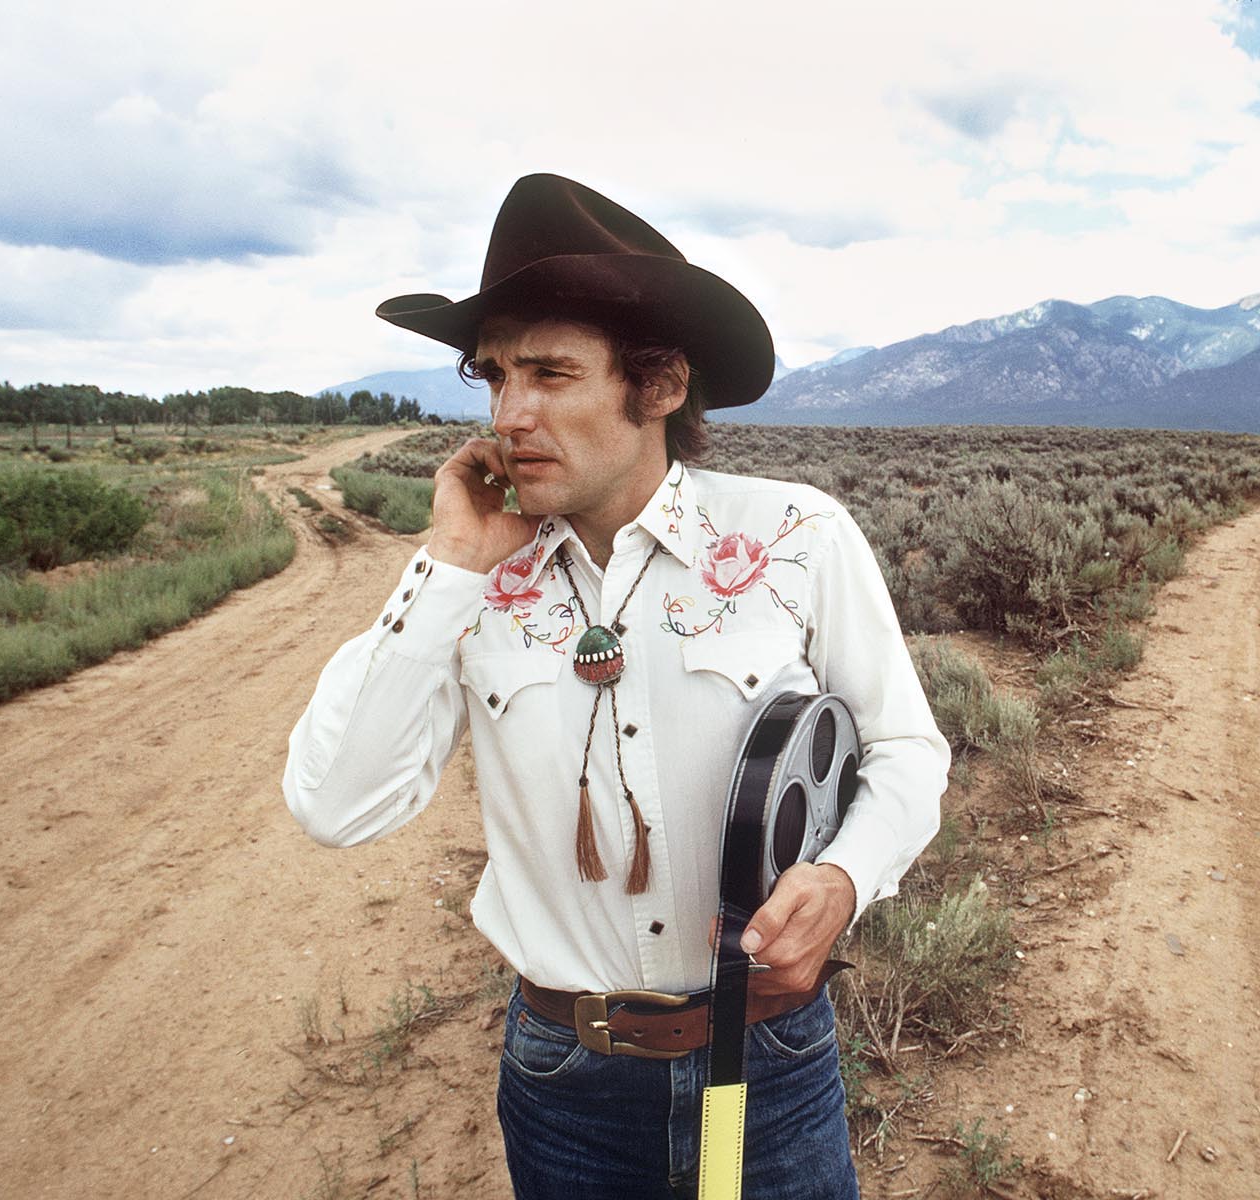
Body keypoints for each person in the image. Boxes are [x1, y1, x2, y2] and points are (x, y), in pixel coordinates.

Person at [283, 173, 949, 1199]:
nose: (509, 413)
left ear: (660, 385)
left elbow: (905, 749)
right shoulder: (469, 579)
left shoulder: (791, 536)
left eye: (550, 373)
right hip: (564, 1084)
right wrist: (453, 560)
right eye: (493, 376)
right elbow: (336, 804)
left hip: (758, 1069)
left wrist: (845, 878)